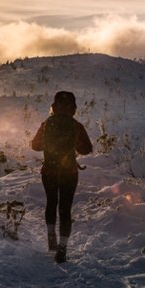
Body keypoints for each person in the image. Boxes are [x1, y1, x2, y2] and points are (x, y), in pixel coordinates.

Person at [32, 91, 92, 263]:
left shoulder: (46, 124)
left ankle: (51, 238)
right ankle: (62, 249)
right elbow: (86, 149)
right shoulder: (76, 126)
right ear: (73, 108)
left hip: (48, 171)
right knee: (65, 209)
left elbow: (35, 146)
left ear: (54, 106)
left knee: (51, 203)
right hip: (69, 173)